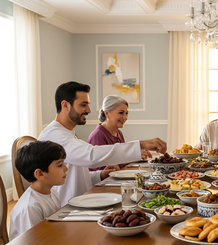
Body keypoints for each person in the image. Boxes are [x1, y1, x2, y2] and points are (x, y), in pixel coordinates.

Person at [38, 81, 166, 205]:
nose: (88, 110)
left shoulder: (67, 133)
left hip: (81, 200)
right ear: (65, 105)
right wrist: (140, 144)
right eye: (83, 105)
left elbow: (76, 173)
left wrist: (99, 175)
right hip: (66, 206)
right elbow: (91, 156)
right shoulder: (54, 135)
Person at [9, 141, 68, 240]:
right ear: (39, 174)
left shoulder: (53, 193)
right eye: (60, 165)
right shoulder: (30, 207)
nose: (66, 169)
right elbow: (34, 241)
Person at [88, 95, 147, 171]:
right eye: (121, 113)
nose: (125, 117)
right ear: (107, 113)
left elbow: (120, 160)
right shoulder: (97, 136)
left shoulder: (118, 133)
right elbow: (101, 170)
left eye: (126, 113)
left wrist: (136, 156)